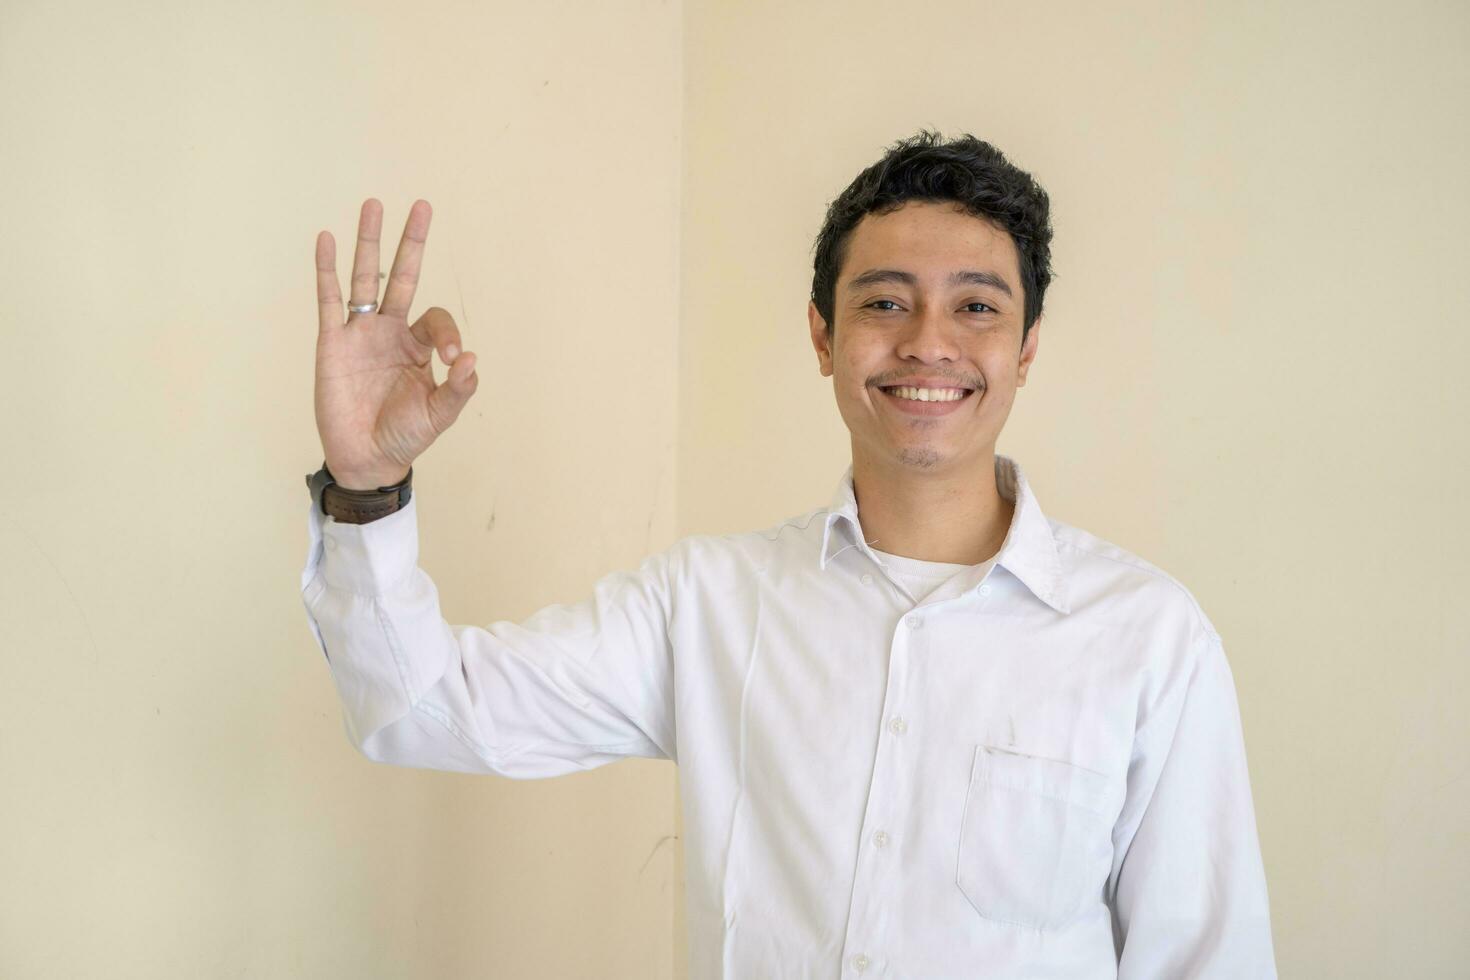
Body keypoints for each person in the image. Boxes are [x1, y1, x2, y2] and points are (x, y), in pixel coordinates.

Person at [300, 130, 1276, 978]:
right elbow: (417, 707)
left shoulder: (1147, 638)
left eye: (976, 306)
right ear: (823, 334)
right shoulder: (708, 603)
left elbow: (1208, 961)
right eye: (885, 303)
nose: (929, 343)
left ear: (1026, 348)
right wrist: (366, 485)